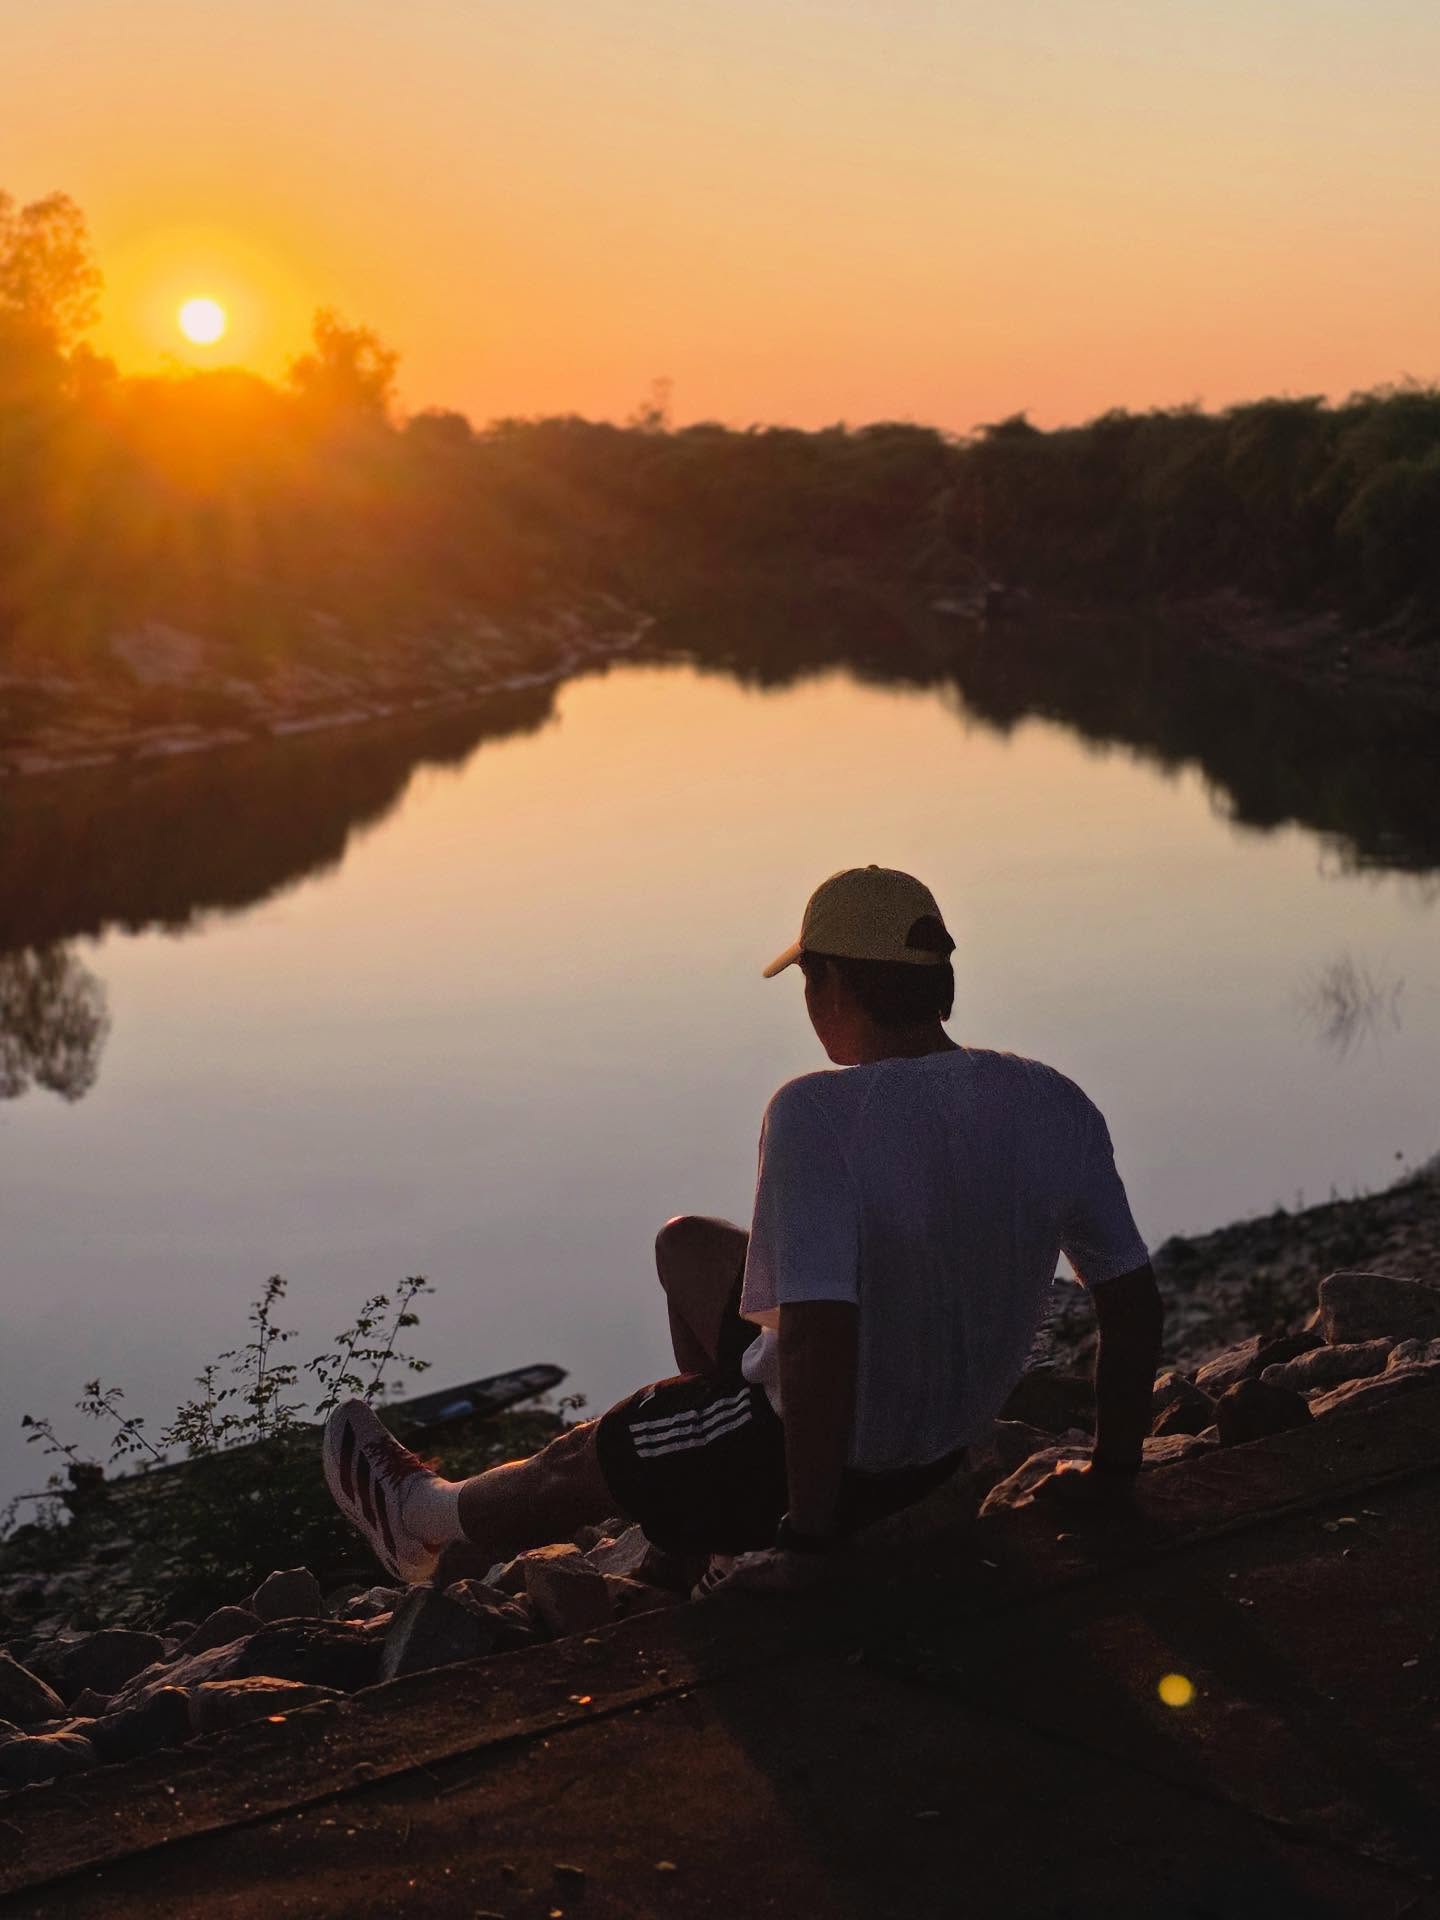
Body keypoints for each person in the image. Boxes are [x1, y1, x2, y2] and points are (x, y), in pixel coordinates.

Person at [322, 865, 1162, 1593]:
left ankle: (421, 1519)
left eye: (807, 983)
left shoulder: (817, 1114)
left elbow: (821, 1338)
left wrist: (812, 1541)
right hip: (942, 1436)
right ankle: (702, 1514)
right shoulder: (1051, 1100)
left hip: (833, 1459)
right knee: (685, 1244)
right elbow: (1131, 1302)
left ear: (830, 984)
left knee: (587, 1456)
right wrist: (1113, 1472)